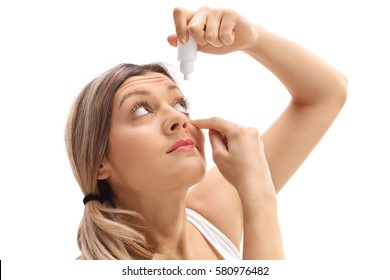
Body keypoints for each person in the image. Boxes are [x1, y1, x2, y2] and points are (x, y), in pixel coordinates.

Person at [65, 6, 347, 260]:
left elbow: (326, 94)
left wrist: (253, 40)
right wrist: (258, 194)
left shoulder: (208, 215)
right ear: (99, 161)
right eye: (141, 111)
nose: (177, 117)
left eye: (180, 104)